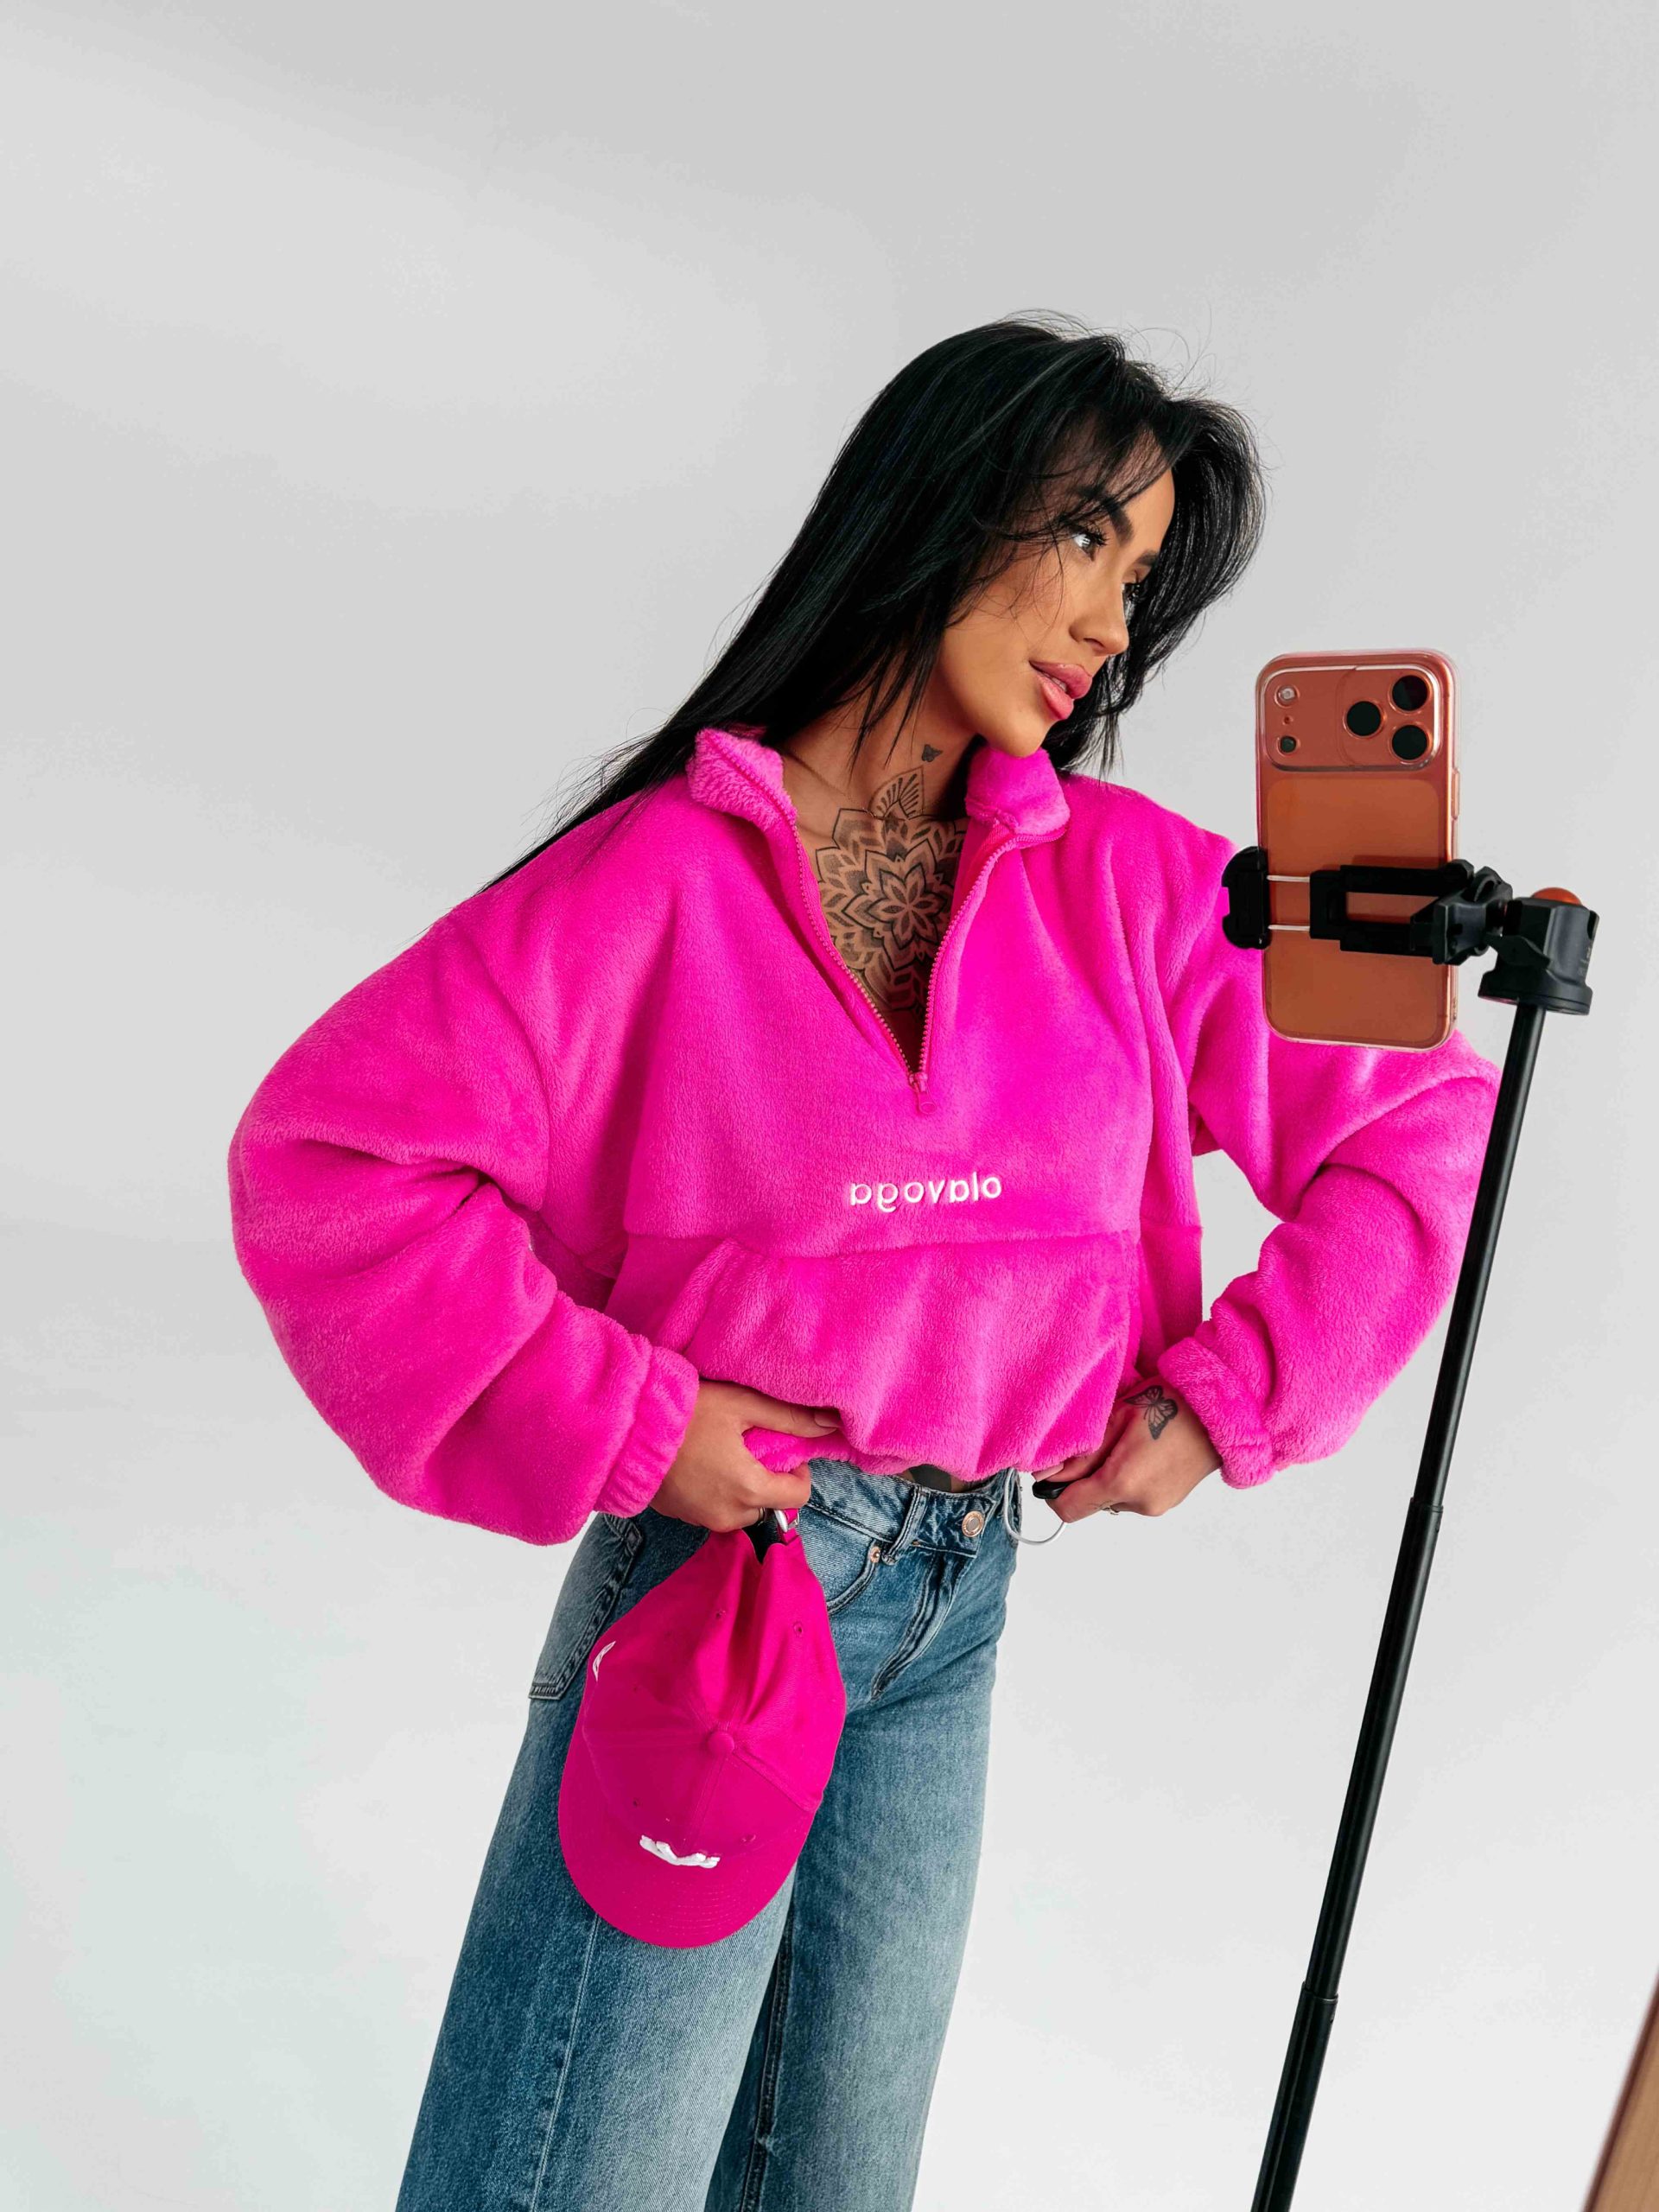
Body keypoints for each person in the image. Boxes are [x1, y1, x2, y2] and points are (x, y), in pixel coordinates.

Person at [226, 314, 1501, 2210]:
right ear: (943, 505)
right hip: (727, 1591)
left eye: (1141, 578)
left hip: (955, 1601)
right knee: (580, 2180)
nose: (1109, 622)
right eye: (1086, 537)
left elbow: (1416, 1113)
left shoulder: (1136, 881)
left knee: (834, 2183)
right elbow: (332, 1161)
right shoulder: (651, 882)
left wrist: (1232, 1395)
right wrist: (629, 1417)